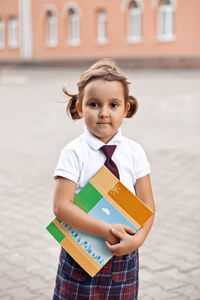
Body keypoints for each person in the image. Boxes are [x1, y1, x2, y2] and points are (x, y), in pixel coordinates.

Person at [52, 58, 155, 299]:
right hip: (81, 253)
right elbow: (60, 206)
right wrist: (106, 229)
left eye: (113, 105)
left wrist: (138, 239)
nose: (104, 113)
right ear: (80, 107)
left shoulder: (135, 152)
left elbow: (148, 204)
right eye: (94, 104)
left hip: (124, 255)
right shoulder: (73, 152)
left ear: (125, 109)